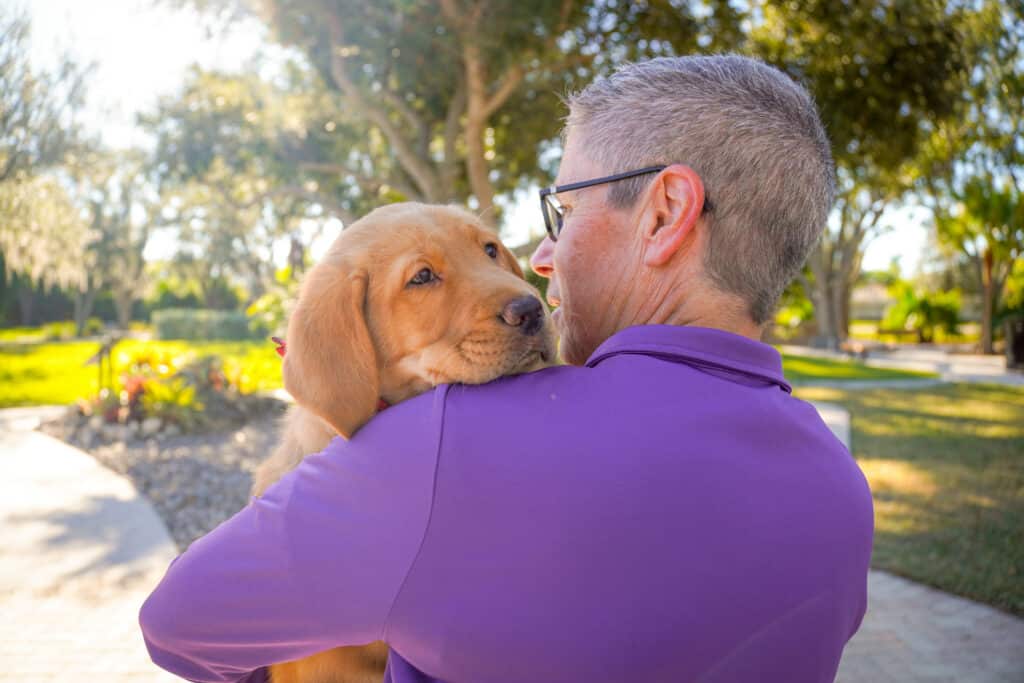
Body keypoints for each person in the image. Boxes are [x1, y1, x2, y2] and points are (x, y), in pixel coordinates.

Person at [139, 54, 873, 683]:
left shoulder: (444, 445)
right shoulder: (841, 495)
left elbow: (177, 624)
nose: (539, 265)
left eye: (565, 213)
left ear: (665, 212)